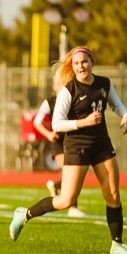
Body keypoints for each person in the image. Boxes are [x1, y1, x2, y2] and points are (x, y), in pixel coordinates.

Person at [9, 46, 127, 254]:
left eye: (84, 62)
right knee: (65, 200)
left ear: (91, 62)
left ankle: (117, 244)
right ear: (72, 67)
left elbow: (116, 104)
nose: (80, 66)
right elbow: (57, 124)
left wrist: (126, 115)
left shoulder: (104, 83)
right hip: (77, 147)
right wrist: (83, 122)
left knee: (113, 194)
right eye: (76, 63)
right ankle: (24, 214)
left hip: (102, 145)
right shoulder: (69, 90)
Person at [34, 70, 85, 217]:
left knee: (75, 172)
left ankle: (55, 186)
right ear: (53, 87)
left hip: (71, 140)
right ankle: (73, 207)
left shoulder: (71, 98)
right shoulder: (49, 102)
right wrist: (48, 134)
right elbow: (37, 122)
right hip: (57, 142)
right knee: (69, 170)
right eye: (58, 83)